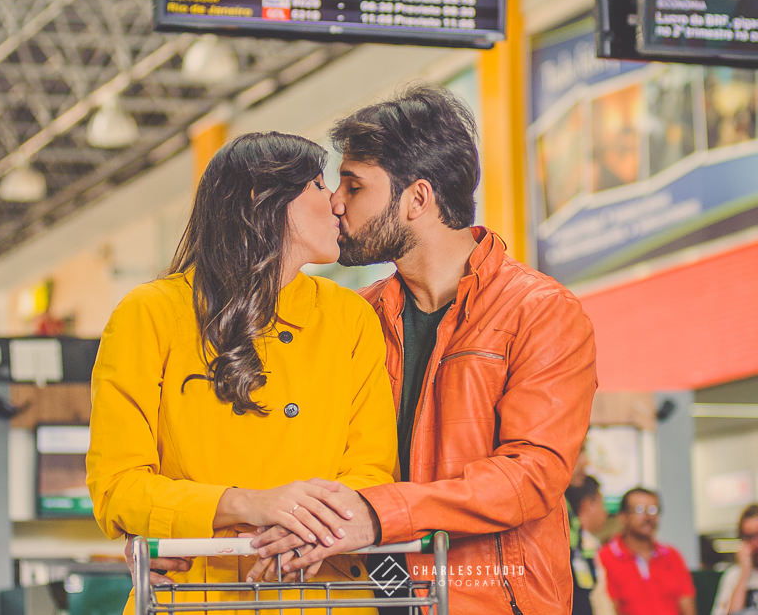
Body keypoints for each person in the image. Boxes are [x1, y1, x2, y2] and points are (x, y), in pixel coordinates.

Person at [247, 85, 600, 613]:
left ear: (417, 198)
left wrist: (378, 512)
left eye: (354, 185)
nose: (336, 203)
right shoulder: (353, 317)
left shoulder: (541, 310)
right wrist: (211, 537)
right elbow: (293, 447)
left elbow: (530, 477)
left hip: (494, 599)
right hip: (373, 598)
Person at [87, 132, 397, 612]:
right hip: (196, 596)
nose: (337, 203)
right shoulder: (150, 313)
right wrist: (251, 504)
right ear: (262, 201)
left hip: (327, 595)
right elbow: (117, 486)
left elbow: (372, 468)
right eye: (318, 185)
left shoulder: (350, 318)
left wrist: (306, 526)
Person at [598, 488, 696, 615]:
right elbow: (607, 608)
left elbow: (688, 608)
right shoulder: (605, 557)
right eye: (639, 510)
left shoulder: (672, 556)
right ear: (623, 517)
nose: (648, 517)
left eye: (653, 510)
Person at [566, 476, 615, 615]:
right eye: (602, 503)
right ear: (588, 504)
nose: (605, 512)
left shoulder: (589, 545)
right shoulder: (572, 547)